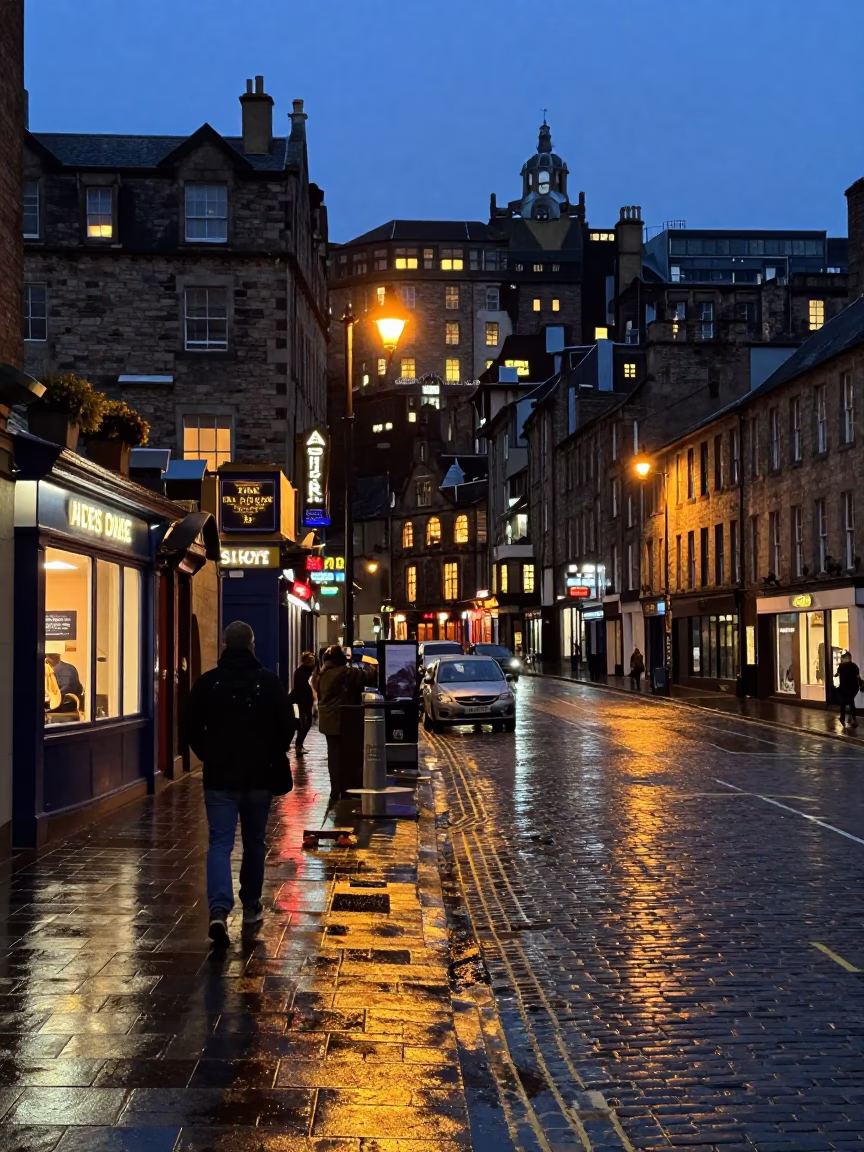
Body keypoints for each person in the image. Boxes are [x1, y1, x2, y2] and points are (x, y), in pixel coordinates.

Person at [183, 620, 295, 947]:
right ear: (251, 644)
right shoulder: (269, 683)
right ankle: (251, 905)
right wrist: (271, 754)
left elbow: (189, 726)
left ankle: (218, 909)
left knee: (220, 842)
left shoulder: (208, 683)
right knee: (255, 842)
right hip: (259, 777)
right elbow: (286, 725)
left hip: (219, 777)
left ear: (224, 645)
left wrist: (208, 754)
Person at [313, 644, 377, 799]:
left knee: (333, 756)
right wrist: (373, 666)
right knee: (348, 756)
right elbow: (367, 677)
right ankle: (347, 788)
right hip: (342, 719)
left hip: (328, 721)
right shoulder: (344, 672)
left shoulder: (322, 674)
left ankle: (336, 789)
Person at [291, 651, 317, 754]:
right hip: (300, 704)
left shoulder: (304, 673)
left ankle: (299, 745)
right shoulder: (302, 673)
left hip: (301, 703)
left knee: (302, 724)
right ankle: (298, 746)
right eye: (310, 661)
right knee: (302, 724)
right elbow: (301, 690)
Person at [834, 650, 861, 729]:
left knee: (843, 703)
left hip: (844, 688)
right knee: (851, 702)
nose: (841, 660)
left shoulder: (841, 666)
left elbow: (836, 675)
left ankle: (842, 718)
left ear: (845, 658)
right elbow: (858, 676)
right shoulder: (854, 666)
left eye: (842, 659)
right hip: (853, 688)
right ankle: (853, 719)